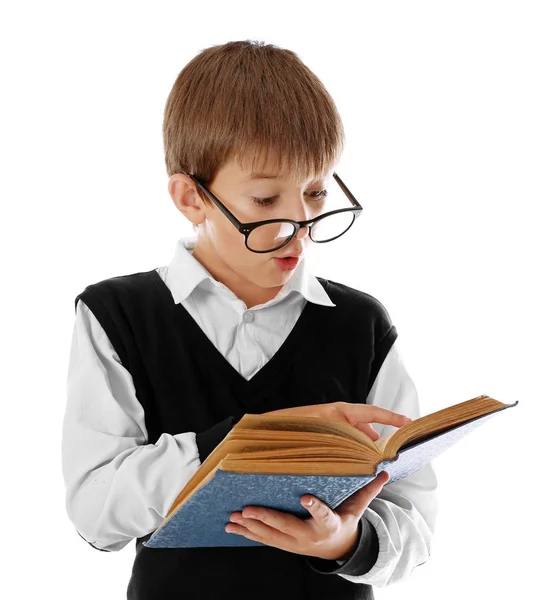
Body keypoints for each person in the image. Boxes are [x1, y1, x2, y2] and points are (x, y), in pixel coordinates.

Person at [62, 39, 438, 600]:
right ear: (192, 197)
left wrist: (345, 542)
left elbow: (416, 522)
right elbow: (96, 513)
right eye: (266, 201)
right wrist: (250, 442)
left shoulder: (360, 325)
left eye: (314, 192)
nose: (301, 227)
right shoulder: (117, 315)